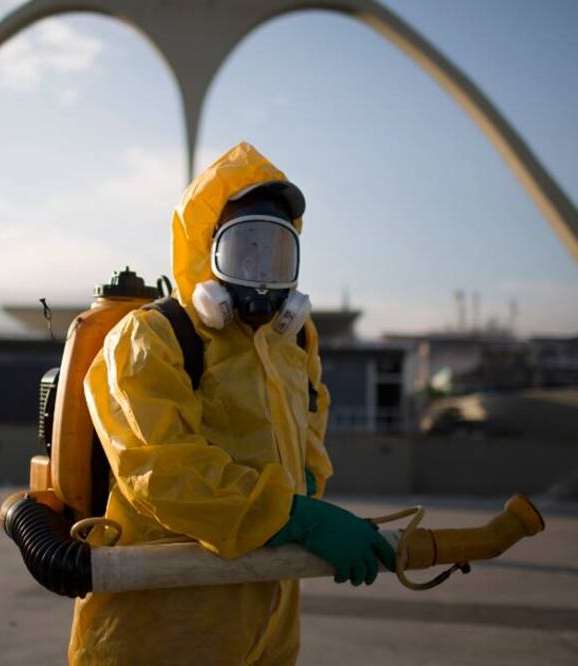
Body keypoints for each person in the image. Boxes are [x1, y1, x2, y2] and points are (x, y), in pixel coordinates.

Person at [69, 142, 396, 664]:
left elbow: (310, 441)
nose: (261, 269)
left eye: (276, 251)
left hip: (269, 612)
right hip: (162, 627)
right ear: (206, 249)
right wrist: (297, 518)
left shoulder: (294, 345)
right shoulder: (152, 338)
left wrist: (304, 494)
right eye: (245, 248)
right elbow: (161, 469)